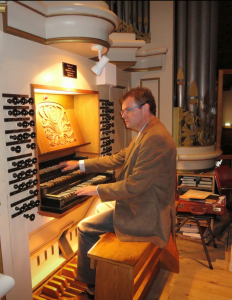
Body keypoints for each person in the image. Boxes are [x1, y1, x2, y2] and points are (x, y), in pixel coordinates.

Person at [57, 87, 177, 300]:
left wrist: (96, 189)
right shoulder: (147, 132)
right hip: (145, 203)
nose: (123, 116)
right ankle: (100, 267)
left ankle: (93, 288)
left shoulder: (154, 138)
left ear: (145, 108)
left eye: (127, 110)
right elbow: (118, 158)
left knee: (84, 227)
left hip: (147, 213)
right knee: (102, 207)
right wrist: (80, 164)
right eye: (122, 112)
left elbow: (133, 186)